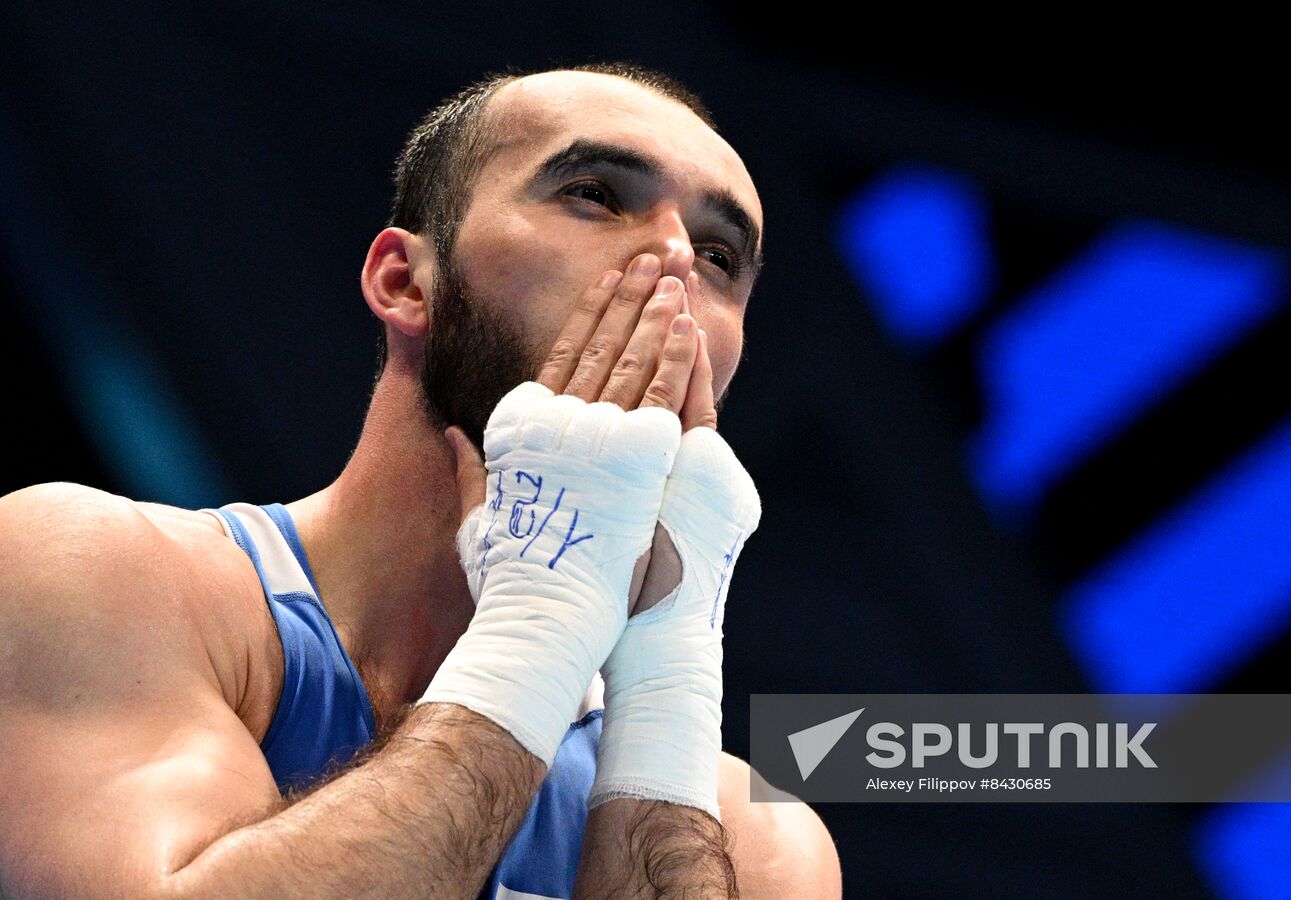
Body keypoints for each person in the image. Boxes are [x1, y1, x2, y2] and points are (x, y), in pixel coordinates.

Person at [0, 62, 842, 898]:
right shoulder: (98, 577)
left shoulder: (755, 842)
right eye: (594, 193)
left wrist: (667, 681)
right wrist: (538, 634)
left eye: (718, 253)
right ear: (404, 281)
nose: (671, 260)